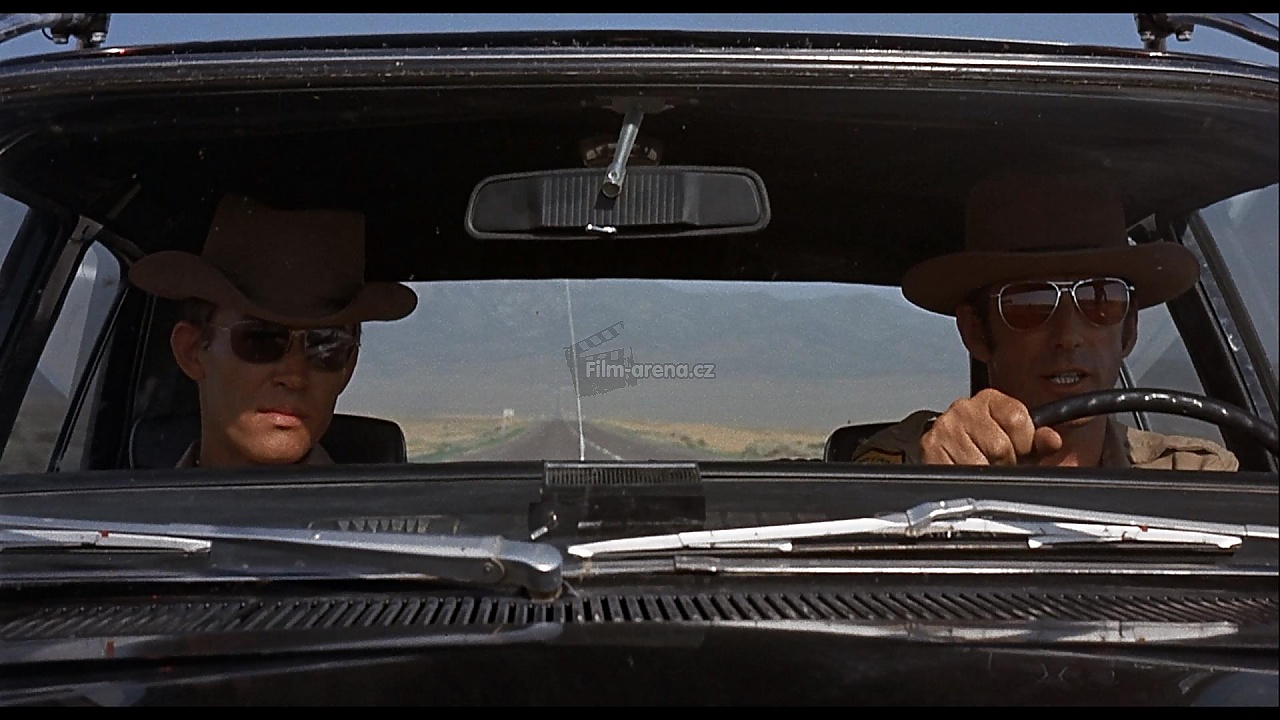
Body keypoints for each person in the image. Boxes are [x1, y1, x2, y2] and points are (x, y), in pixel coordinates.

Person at [851, 172, 1238, 471]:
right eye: (1030, 304)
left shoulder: (1192, 477)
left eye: (1100, 299)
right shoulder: (911, 464)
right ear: (977, 332)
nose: (1069, 335)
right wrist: (940, 481)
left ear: (1129, 329)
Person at [128, 194, 416, 468]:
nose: (294, 376)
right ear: (191, 351)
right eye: (261, 340)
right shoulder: (124, 506)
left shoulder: (388, 508)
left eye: (326, 346)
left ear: (349, 366)